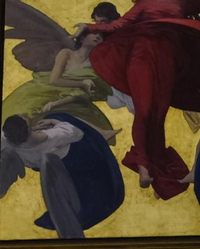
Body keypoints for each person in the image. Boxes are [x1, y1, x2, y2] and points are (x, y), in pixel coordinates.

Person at [82, 0, 200, 197]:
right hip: (141, 54)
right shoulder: (145, 4)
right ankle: (144, 165)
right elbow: (118, 25)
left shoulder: (185, 2)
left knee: (158, 116)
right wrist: (89, 27)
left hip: (168, 57)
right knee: (145, 111)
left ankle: (159, 175)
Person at [0, 112, 125, 237]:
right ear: (28, 130)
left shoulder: (9, 141)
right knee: (59, 116)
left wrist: (32, 131)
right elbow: (77, 133)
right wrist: (53, 122)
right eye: (25, 118)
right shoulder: (53, 136)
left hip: (44, 164)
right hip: (77, 164)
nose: (26, 114)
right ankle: (101, 134)